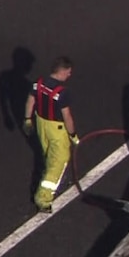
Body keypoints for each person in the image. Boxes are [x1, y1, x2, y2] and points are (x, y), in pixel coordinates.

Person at [23, 56, 79, 213]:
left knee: (48, 154)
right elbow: (67, 117)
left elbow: (30, 102)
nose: (69, 75)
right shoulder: (62, 93)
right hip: (56, 129)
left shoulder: (38, 83)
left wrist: (28, 119)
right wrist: (73, 135)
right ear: (63, 71)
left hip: (41, 123)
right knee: (59, 161)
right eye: (69, 73)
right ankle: (43, 197)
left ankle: (46, 174)